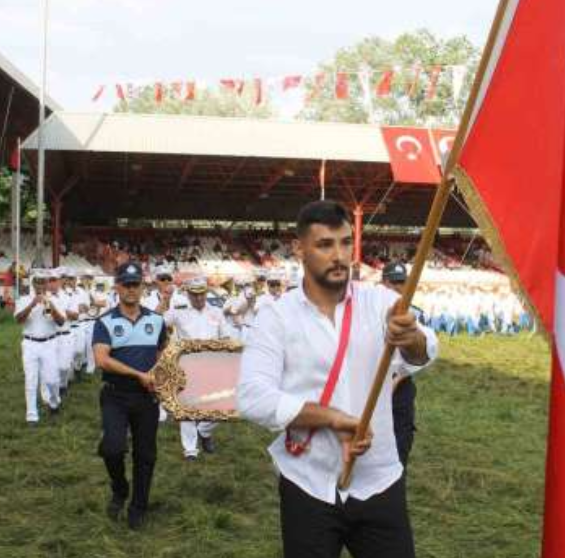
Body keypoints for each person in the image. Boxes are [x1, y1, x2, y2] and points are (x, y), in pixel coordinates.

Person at [237, 201, 438, 558]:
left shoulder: (380, 303)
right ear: (299, 248)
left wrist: (412, 340)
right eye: (325, 244)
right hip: (307, 483)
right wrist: (331, 418)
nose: (339, 255)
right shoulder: (276, 317)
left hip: (379, 480)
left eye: (346, 243)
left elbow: (424, 351)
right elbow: (253, 397)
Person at [93, 263, 168, 530]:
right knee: (112, 448)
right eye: (125, 284)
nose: (131, 289)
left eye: (135, 284)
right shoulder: (104, 322)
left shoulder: (157, 321)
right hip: (116, 396)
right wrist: (138, 374)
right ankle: (120, 487)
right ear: (117, 287)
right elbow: (101, 359)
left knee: (145, 455)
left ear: (142, 288)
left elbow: (162, 357)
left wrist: (161, 379)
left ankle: (138, 507)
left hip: (146, 398)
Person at [164, 275, 234, 460]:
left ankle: (204, 431)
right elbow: (158, 324)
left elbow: (225, 336)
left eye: (202, 294)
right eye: (195, 295)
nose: (199, 298)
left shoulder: (216, 312)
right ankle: (190, 450)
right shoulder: (178, 311)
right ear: (187, 294)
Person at [380, 261, 425, 469]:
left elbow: (422, 354)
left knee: (400, 445)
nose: (397, 288)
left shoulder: (416, 314)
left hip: (401, 389)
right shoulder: (371, 312)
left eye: (401, 283)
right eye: (392, 282)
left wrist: (399, 378)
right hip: (373, 383)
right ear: (383, 282)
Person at [14, 269, 65, 425]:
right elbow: (18, 320)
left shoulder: (55, 299)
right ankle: (31, 415)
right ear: (33, 283)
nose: (40, 285)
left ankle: (54, 401)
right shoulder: (23, 299)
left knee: (52, 380)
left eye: (43, 282)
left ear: (47, 284)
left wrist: (50, 305)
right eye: (38, 282)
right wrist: (32, 304)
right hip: (30, 343)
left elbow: (61, 322)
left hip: (49, 343)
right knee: (31, 380)